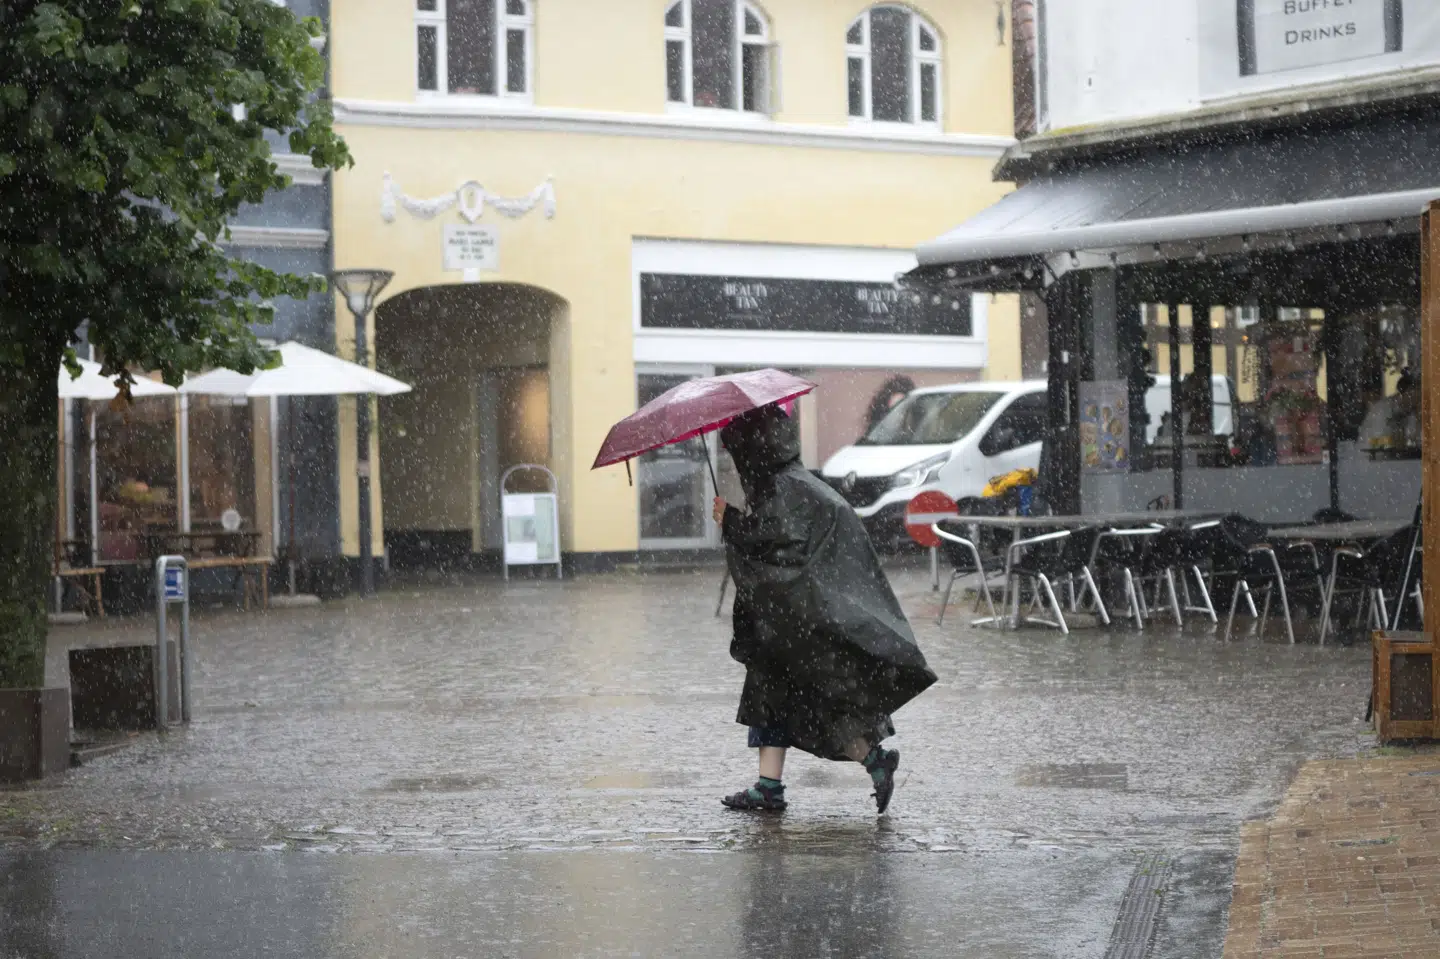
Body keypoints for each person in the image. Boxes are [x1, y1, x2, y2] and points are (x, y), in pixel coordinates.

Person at [711, 403, 937, 814]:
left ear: (752, 449)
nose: (735, 460)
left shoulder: (782, 489)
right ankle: (774, 785)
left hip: (795, 620)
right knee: (783, 696)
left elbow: (774, 548)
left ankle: (867, 762)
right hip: (797, 618)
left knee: (808, 697)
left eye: (736, 451)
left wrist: (731, 523)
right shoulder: (797, 482)